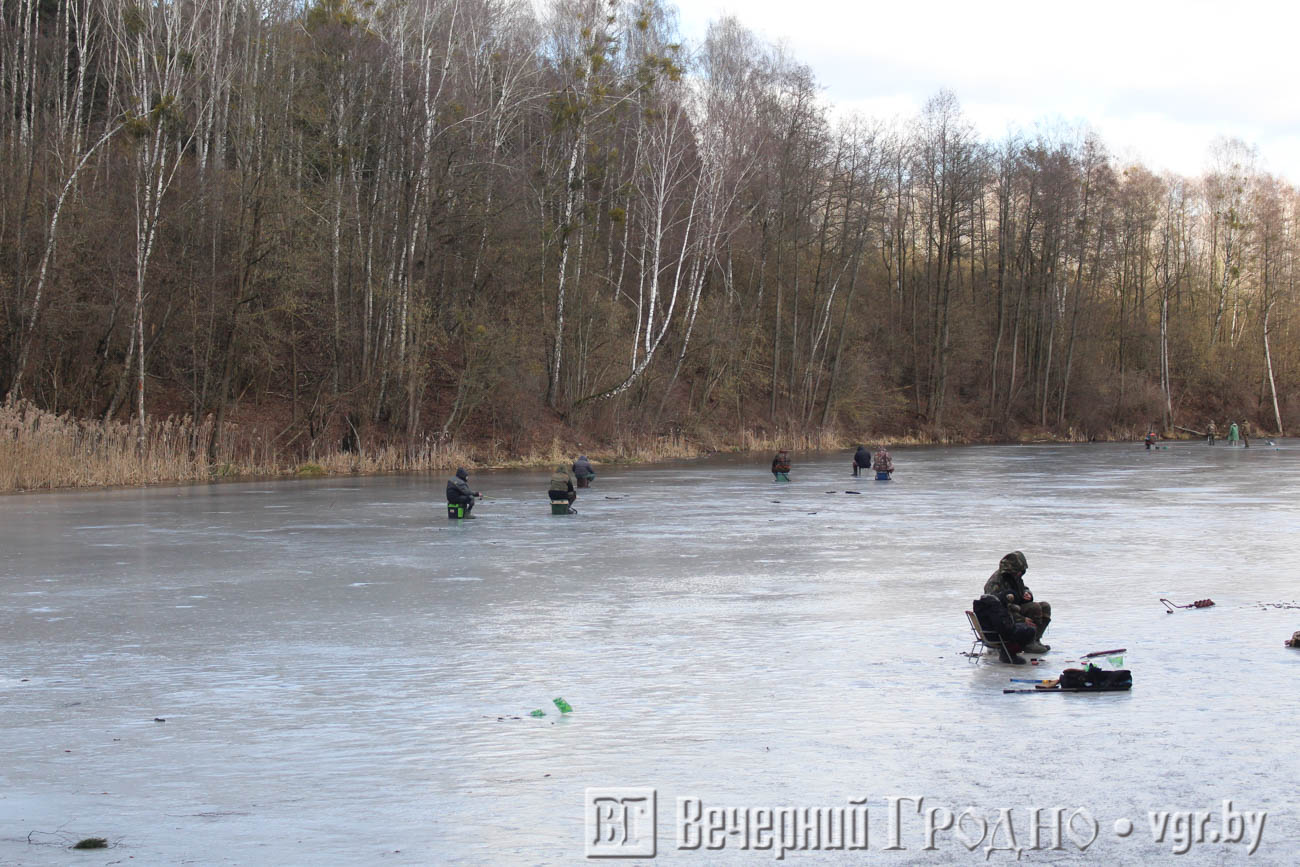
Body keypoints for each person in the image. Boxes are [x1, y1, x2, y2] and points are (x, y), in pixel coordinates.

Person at [983, 551, 1051, 654]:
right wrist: (1021, 618)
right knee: (1034, 607)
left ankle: (1035, 639)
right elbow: (996, 610)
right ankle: (1029, 643)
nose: (1020, 574)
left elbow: (1024, 589)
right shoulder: (996, 582)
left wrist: (1027, 593)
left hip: (1016, 608)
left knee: (1045, 606)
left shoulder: (1014, 576)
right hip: (1005, 616)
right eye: (1018, 571)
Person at [972, 593, 1036, 664]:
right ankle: (1009, 653)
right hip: (996, 636)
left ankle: (1007, 652)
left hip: (987, 634)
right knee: (1030, 630)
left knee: (1023, 626)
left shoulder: (982, 607)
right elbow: (1003, 628)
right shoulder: (994, 608)